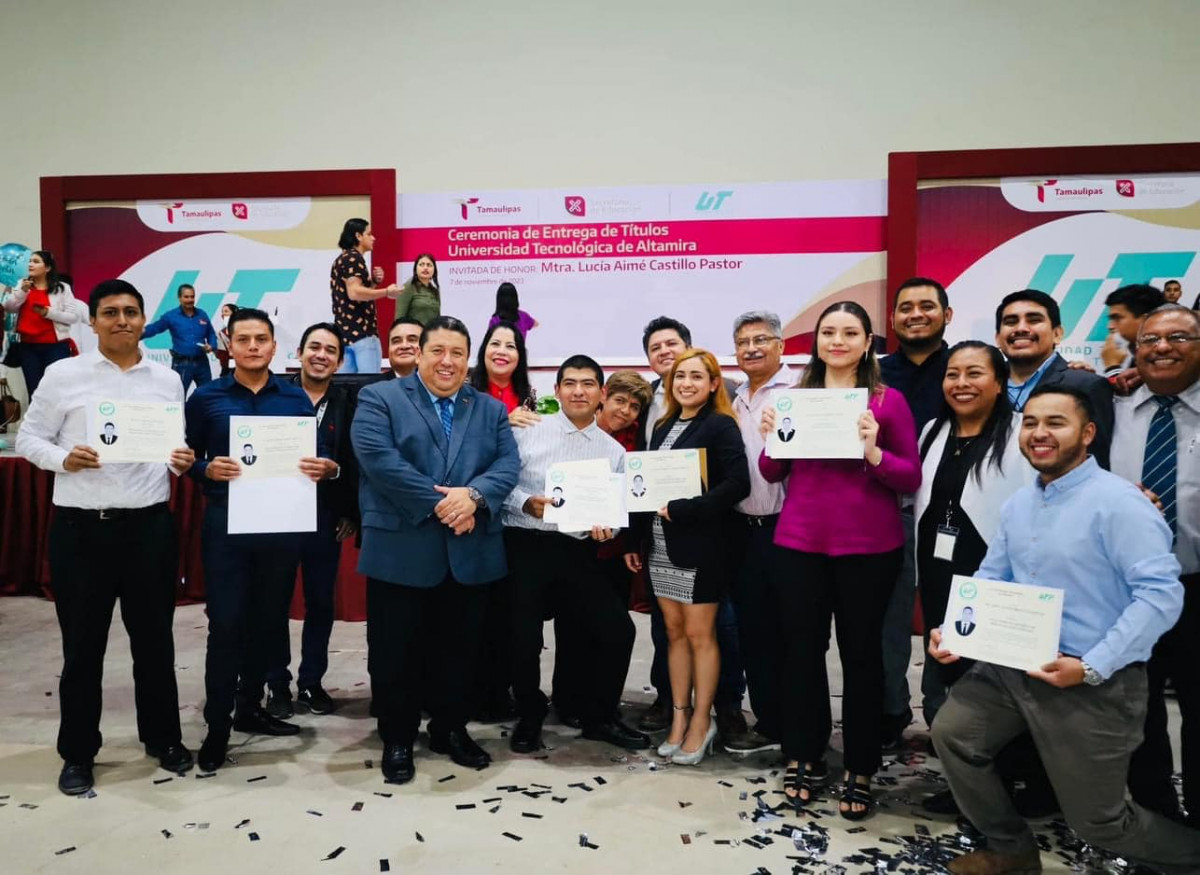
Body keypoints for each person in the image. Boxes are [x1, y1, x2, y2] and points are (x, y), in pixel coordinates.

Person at [929, 385, 1200, 875]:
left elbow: (1161, 595)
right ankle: (1010, 849)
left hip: (1091, 678)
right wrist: (957, 631)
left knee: (1100, 823)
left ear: (1088, 433)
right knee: (954, 734)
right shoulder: (1020, 504)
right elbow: (993, 575)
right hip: (1014, 665)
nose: (1039, 433)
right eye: (1031, 423)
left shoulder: (1120, 504)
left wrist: (1092, 665)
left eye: (1056, 422)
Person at [16, 279, 196, 796]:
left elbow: (172, 445)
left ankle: (163, 739)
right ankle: (78, 753)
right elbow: (28, 437)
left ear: (143, 320)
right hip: (81, 530)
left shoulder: (166, 380)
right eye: (111, 312)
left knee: (155, 644)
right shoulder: (63, 374)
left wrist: (181, 460)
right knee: (82, 649)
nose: (122, 320)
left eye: (131, 312)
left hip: (149, 528)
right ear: (92, 321)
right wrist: (63, 458)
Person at [759, 301, 920, 819]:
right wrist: (771, 436)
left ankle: (861, 764)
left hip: (869, 548)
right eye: (829, 332)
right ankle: (803, 753)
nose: (837, 341)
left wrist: (873, 451)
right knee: (801, 653)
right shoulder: (795, 398)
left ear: (868, 342)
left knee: (862, 657)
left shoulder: (887, 402)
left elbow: (910, 475)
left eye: (850, 333)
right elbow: (772, 471)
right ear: (817, 341)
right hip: (799, 543)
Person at [351, 315, 520, 784]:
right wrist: (447, 503)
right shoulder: (379, 398)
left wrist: (475, 497)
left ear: (468, 360)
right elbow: (379, 461)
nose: (448, 362)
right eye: (438, 351)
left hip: (469, 553)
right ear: (419, 353)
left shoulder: (489, 409)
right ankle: (398, 738)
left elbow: (508, 464)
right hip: (401, 548)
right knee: (395, 653)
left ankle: (451, 729)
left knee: (460, 652)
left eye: (458, 353)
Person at [185, 307, 330, 773]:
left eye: (261, 339)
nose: (252, 346)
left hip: (281, 527)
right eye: (243, 339)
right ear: (228, 344)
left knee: (268, 622)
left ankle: (250, 707)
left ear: (273, 346)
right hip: (226, 526)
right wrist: (205, 468)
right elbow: (184, 456)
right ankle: (217, 725)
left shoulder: (294, 398)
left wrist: (325, 466)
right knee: (226, 625)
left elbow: (316, 454)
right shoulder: (206, 398)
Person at [504, 355, 649, 754]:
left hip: (577, 549)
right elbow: (499, 484)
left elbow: (617, 512)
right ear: (557, 390)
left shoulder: (613, 450)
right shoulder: (528, 431)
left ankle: (600, 718)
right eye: (570, 383)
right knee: (523, 637)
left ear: (601, 393)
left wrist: (609, 529)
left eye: (588, 384)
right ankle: (530, 713)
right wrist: (525, 502)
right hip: (526, 545)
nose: (578, 391)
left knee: (617, 630)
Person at [626, 349, 750, 766]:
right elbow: (646, 486)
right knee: (674, 633)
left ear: (714, 384)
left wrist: (687, 509)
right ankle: (678, 717)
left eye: (697, 376)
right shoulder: (663, 425)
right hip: (661, 545)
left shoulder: (720, 425)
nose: (686, 383)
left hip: (702, 547)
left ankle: (702, 720)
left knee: (700, 636)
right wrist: (635, 539)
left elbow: (738, 484)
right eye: (680, 376)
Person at [1115, 304, 1200, 827]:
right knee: (1137, 710)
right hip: (1128, 591)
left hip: (1196, 584)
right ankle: (1156, 819)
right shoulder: (1111, 407)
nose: (1163, 347)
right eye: (1150, 339)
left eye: (1179, 337)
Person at [263, 323, 361, 719]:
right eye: (314, 347)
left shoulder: (348, 403)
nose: (321, 355)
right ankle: (276, 683)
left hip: (326, 518)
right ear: (299, 353)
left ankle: (311, 681)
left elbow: (355, 461)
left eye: (330, 350)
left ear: (339, 362)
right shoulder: (275, 397)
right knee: (275, 601)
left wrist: (349, 509)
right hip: (278, 518)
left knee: (321, 602)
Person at [878, 277, 954, 751]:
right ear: (893, 319)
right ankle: (890, 713)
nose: (915, 314)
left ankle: (944, 719)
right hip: (892, 511)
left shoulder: (965, 366)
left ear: (947, 314)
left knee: (948, 617)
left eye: (927, 306)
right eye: (906, 307)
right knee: (887, 621)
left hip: (956, 514)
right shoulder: (875, 374)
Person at [727, 310, 796, 756]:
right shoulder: (733, 400)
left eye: (761, 339)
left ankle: (799, 724)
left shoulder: (799, 392)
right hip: (742, 531)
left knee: (794, 631)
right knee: (753, 631)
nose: (751, 348)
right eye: (743, 342)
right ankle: (769, 721)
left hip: (788, 528)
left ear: (781, 346)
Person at [995, 289, 1114, 469]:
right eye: (1011, 322)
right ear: (998, 338)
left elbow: (1097, 463)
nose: (1021, 328)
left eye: (1034, 320)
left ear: (1057, 334)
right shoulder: (983, 386)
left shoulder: (1086, 385)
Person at [1, 249, 80, 399]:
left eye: (36, 262)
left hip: (56, 347)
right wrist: (22, 292)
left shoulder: (62, 288)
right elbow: (9, 307)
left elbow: (73, 317)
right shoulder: (22, 284)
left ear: (48, 268)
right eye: (30, 261)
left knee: (56, 390)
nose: (30, 264)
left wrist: (48, 313)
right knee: (34, 391)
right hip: (28, 347)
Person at [330, 218, 398, 374]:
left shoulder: (342, 259)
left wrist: (373, 282)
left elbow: (353, 294)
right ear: (358, 236)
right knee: (369, 383)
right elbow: (355, 293)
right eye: (369, 234)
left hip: (344, 335)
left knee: (346, 385)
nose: (373, 238)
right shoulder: (354, 258)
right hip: (363, 333)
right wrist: (386, 292)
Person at [142, 284, 219, 393]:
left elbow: (210, 333)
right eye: (186, 297)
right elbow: (155, 328)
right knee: (178, 395)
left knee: (208, 395)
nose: (190, 300)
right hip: (182, 364)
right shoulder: (171, 316)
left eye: (192, 296)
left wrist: (211, 345)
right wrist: (135, 334)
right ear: (179, 298)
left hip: (202, 363)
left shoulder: (202, 314)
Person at [469, 321, 536, 415]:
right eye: (495, 344)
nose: (501, 351)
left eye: (510, 346)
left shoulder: (528, 397)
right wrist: (508, 420)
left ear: (520, 356)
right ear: (484, 350)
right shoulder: (464, 392)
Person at [1101, 283, 1165, 374]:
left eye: (1117, 318)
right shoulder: (1136, 357)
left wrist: (1112, 367)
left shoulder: (1164, 357)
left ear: (1146, 320)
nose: (1110, 326)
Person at [392, 253, 441, 328]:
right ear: (415, 269)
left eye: (429, 265)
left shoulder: (434, 291)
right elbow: (399, 319)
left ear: (434, 270)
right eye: (421, 264)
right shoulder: (408, 287)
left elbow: (438, 318)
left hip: (431, 334)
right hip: (413, 333)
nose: (425, 268)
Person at [214, 303, 236, 376]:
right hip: (226, 369)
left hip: (241, 368)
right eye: (222, 312)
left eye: (226, 311)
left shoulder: (243, 330)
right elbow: (219, 355)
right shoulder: (222, 332)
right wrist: (213, 349)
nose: (223, 314)